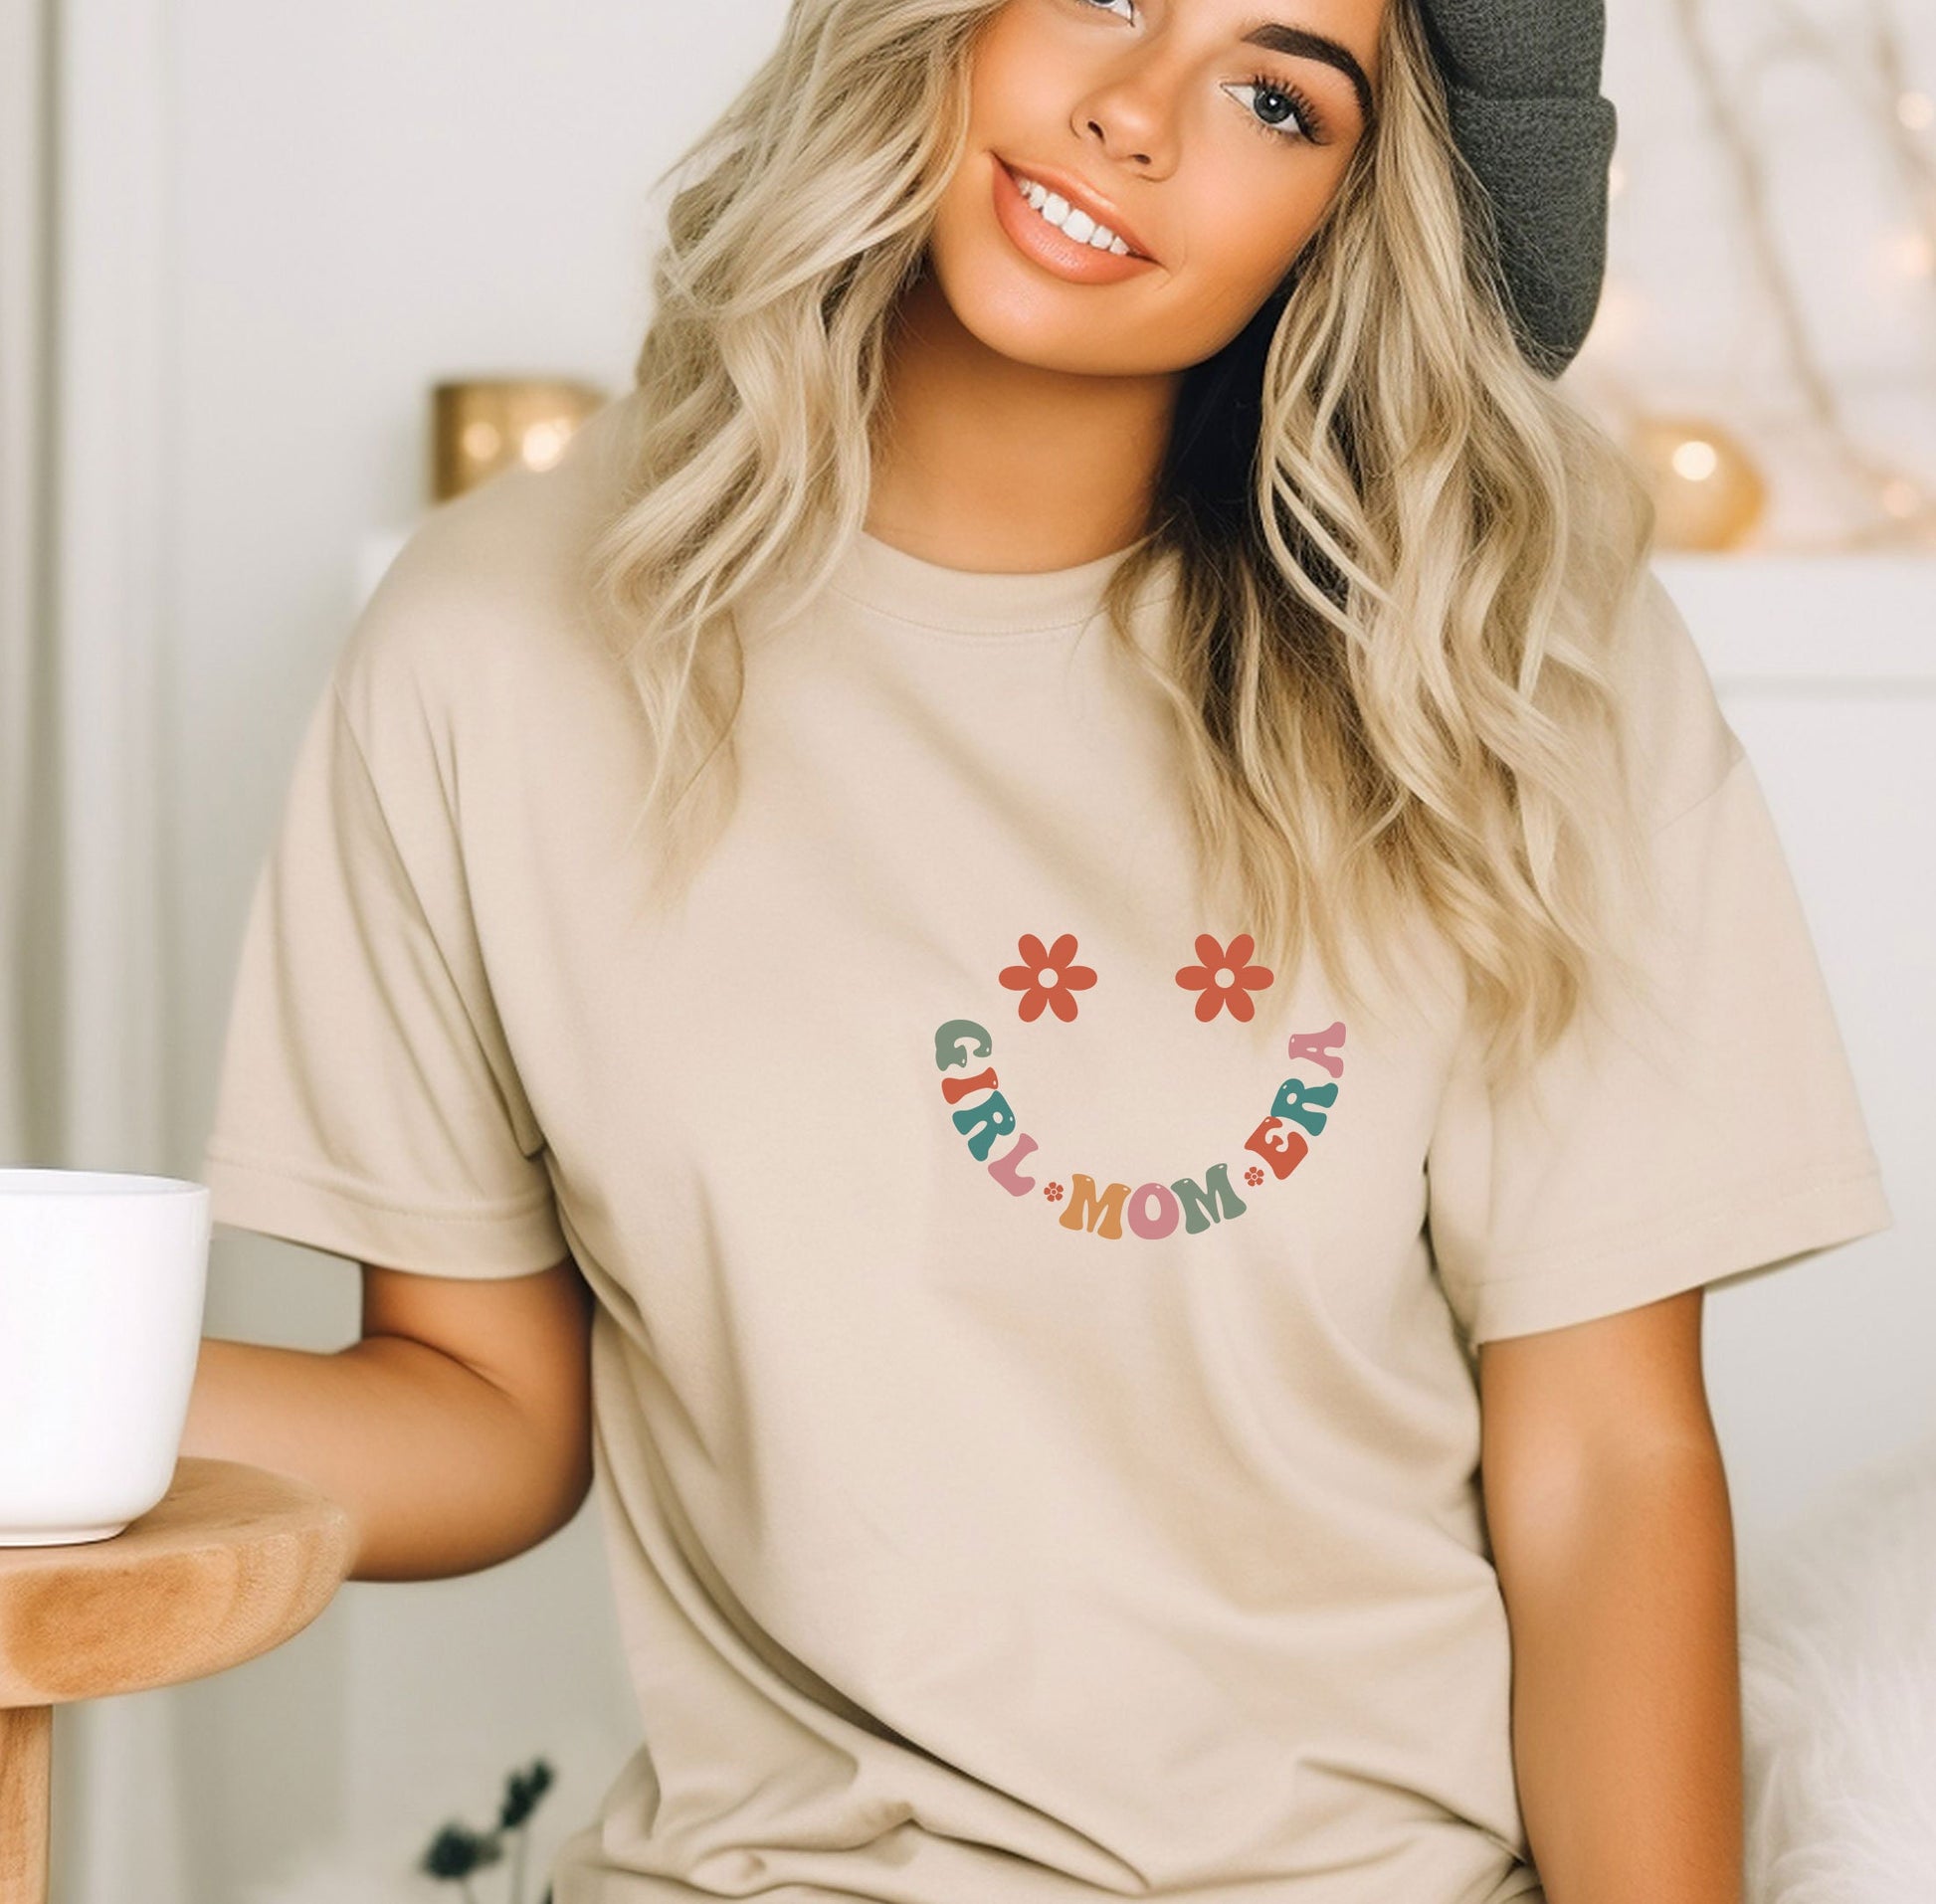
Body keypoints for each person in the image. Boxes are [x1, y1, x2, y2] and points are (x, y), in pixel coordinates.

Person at [183, 0, 1894, 1899]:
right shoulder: (492, 645)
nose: (1135, 116)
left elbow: (1600, 1474)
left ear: (1348, 211)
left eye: (1272, 95)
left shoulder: (1499, 672)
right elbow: (484, 1414)